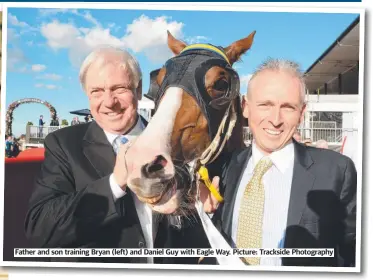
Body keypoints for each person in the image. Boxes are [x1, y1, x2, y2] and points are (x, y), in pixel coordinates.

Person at [25, 46, 209, 264]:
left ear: (138, 90)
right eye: (97, 92)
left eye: (119, 89)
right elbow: (39, 229)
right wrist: (114, 184)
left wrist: (202, 211)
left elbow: (192, 238)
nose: (109, 102)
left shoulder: (174, 146)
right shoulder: (64, 144)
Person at [201, 58, 357, 267]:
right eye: (265, 105)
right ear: (246, 107)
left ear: (302, 113)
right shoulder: (223, 167)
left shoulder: (337, 171)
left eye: (288, 107)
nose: (275, 119)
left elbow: (353, 254)